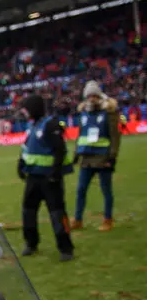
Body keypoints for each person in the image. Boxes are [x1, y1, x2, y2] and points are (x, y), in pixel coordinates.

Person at [17, 94, 75, 262]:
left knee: (57, 213)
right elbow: (26, 148)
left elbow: (60, 149)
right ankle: (31, 243)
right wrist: (21, 164)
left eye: (26, 109)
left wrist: (55, 173)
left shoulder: (50, 124)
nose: (24, 113)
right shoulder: (31, 126)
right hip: (33, 177)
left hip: (49, 179)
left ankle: (65, 247)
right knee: (28, 210)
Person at [71, 81, 121, 232]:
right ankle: (78, 219)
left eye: (94, 95)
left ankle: (108, 219)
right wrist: (75, 154)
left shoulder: (109, 113)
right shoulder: (84, 113)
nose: (91, 98)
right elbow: (81, 135)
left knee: (106, 191)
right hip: (86, 159)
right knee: (81, 190)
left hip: (103, 159)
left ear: (99, 96)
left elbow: (115, 137)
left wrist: (112, 157)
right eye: (89, 95)